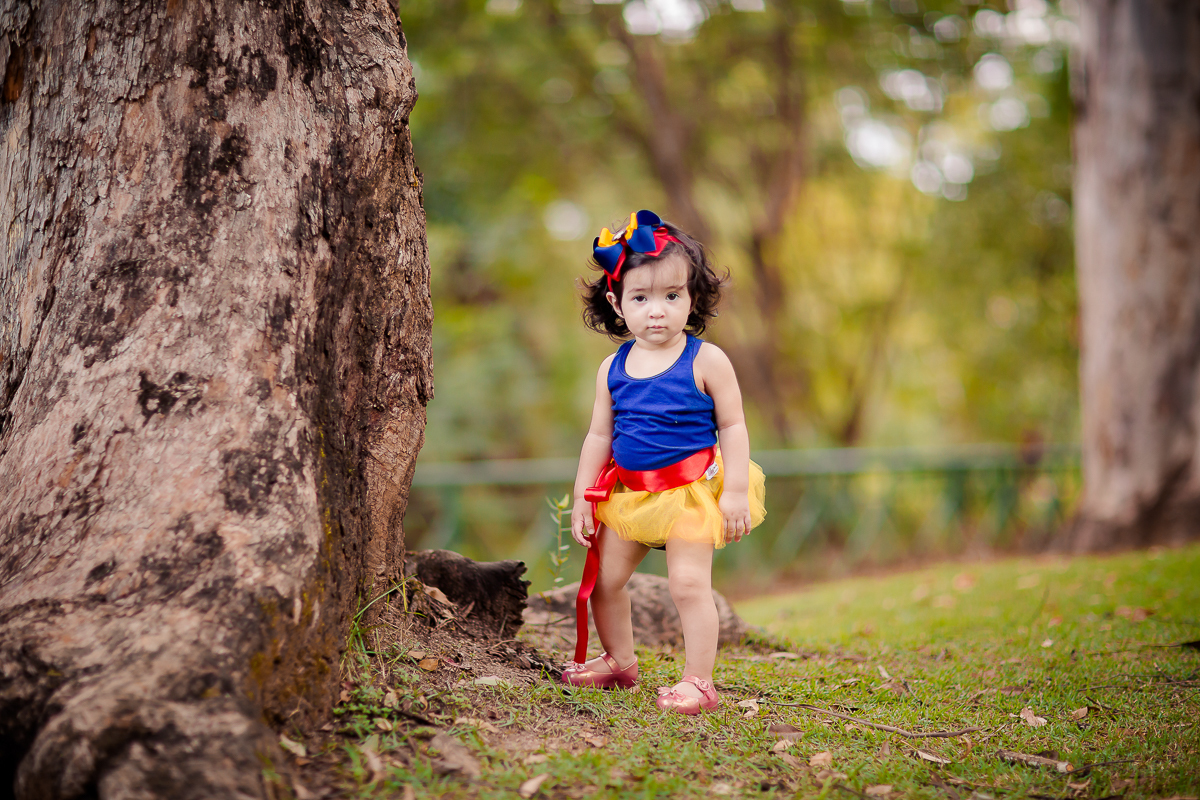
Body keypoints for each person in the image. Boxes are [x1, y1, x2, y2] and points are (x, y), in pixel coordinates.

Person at [561, 209, 766, 715]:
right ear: (616, 302)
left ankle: (699, 681)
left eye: (672, 296)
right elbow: (598, 435)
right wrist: (584, 497)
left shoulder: (706, 360)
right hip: (630, 496)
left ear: (692, 297)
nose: (658, 311)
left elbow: (734, 428)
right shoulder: (612, 367)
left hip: (691, 493)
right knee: (604, 582)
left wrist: (736, 490)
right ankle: (619, 660)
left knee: (688, 584)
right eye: (641, 297)